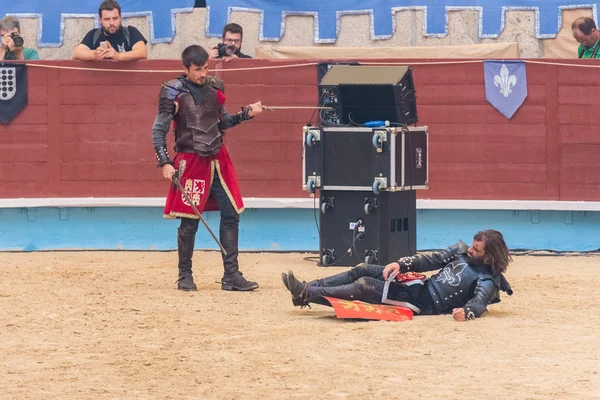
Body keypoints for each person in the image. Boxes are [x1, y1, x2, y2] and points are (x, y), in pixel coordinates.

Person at [151, 44, 263, 292]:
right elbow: (158, 130)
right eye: (198, 69)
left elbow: (222, 122)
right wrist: (165, 162)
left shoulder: (215, 88)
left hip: (217, 158)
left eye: (205, 68)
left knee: (231, 213)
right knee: (189, 221)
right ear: (185, 68)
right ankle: (184, 276)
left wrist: (246, 114)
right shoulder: (172, 91)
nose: (203, 74)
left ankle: (231, 276)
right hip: (190, 160)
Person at [282, 229, 513, 321]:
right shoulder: (461, 250)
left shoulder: (489, 280)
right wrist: (400, 264)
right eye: (472, 245)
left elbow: (479, 303)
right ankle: (306, 287)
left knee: (365, 285)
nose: (470, 250)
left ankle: (305, 294)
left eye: (477, 249)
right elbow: (429, 260)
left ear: (488, 257)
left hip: (422, 303)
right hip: (419, 286)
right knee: (362, 268)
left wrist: (468, 312)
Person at [72, 0, 147, 61]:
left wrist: (118, 56)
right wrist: (94, 55)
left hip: (127, 78)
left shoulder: (130, 32)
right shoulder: (94, 34)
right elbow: (77, 53)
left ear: (120, 18)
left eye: (115, 18)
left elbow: (142, 52)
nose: (112, 23)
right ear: (100, 20)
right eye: (107, 19)